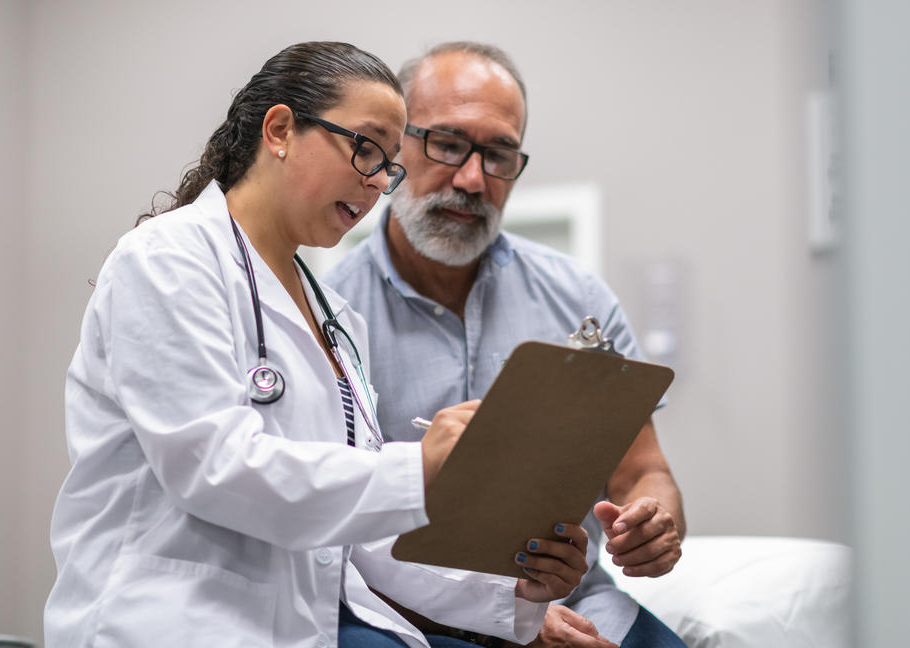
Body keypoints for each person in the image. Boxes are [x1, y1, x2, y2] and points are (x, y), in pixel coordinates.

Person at [44, 41, 591, 648]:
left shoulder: (336, 318)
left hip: (296, 624)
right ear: (279, 129)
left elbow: (357, 532)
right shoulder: (166, 261)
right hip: (168, 618)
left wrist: (509, 589)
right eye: (365, 148)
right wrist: (419, 465)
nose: (380, 180)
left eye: (390, 164)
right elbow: (213, 467)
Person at [327, 42, 688, 648]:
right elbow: (327, 536)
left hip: (571, 599)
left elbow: (644, 472)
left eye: (498, 155)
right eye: (446, 144)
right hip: (401, 609)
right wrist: (504, 618)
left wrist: (653, 522)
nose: (472, 179)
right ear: (396, 146)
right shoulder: (330, 313)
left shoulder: (577, 298)